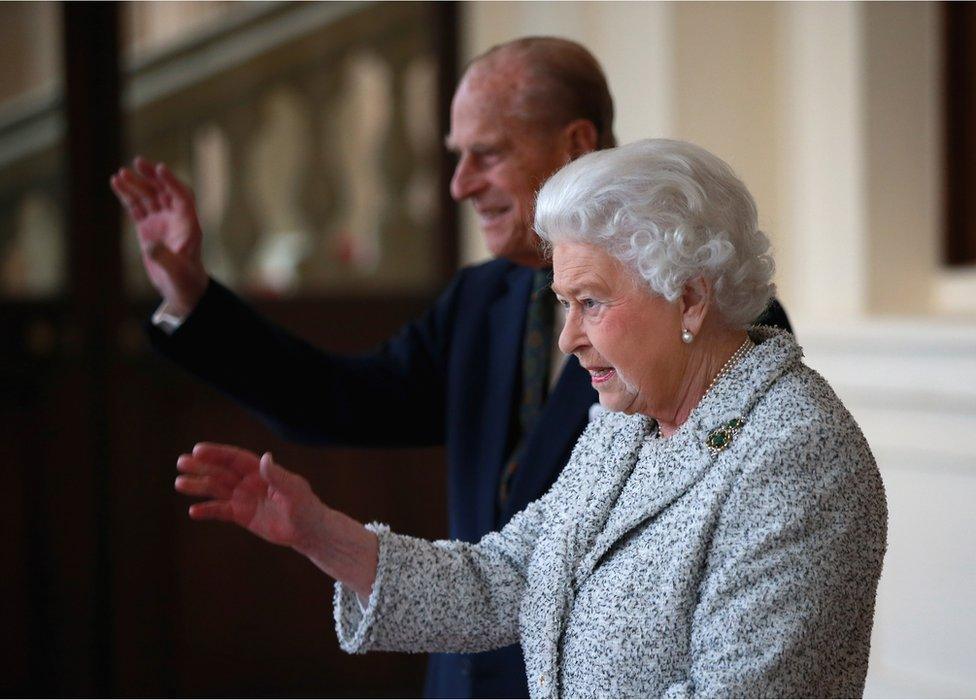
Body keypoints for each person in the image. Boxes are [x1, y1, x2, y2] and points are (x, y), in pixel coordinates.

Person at [110, 39, 792, 698]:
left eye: (486, 154)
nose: (460, 184)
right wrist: (192, 298)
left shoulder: (722, 331)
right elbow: (340, 401)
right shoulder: (480, 298)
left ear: (576, 145)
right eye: (456, 157)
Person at [171, 139, 886, 697]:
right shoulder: (628, 419)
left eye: (592, 303)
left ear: (692, 298)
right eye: (562, 304)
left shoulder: (795, 452)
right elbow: (508, 578)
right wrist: (318, 532)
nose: (571, 337)